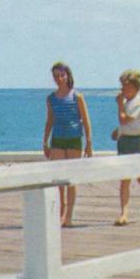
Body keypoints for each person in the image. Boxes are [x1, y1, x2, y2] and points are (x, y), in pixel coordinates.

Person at [42, 62, 93, 227]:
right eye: (56, 76)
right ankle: (60, 212)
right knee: (58, 180)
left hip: (74, 139)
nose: (59, 79)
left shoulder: (76, 96)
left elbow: (85, 120)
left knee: (71, 179)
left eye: (62, 75)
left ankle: (69, 215)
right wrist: (45, 141)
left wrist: (89, 143)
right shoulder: (51, 98)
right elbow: (50, 120)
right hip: (57, 139)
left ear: (68, 75)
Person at [112, 70, 140, 226]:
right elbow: (124, 124)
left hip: (137, 142)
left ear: (135, 87)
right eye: (122, 85)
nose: (123, 89)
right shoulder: (127, 103)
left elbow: (125, 119)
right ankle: (124, 213)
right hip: (125, 141)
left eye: (126, 86)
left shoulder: (139, 103)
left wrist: (119, 106)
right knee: (125, 179)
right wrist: (118, 132)